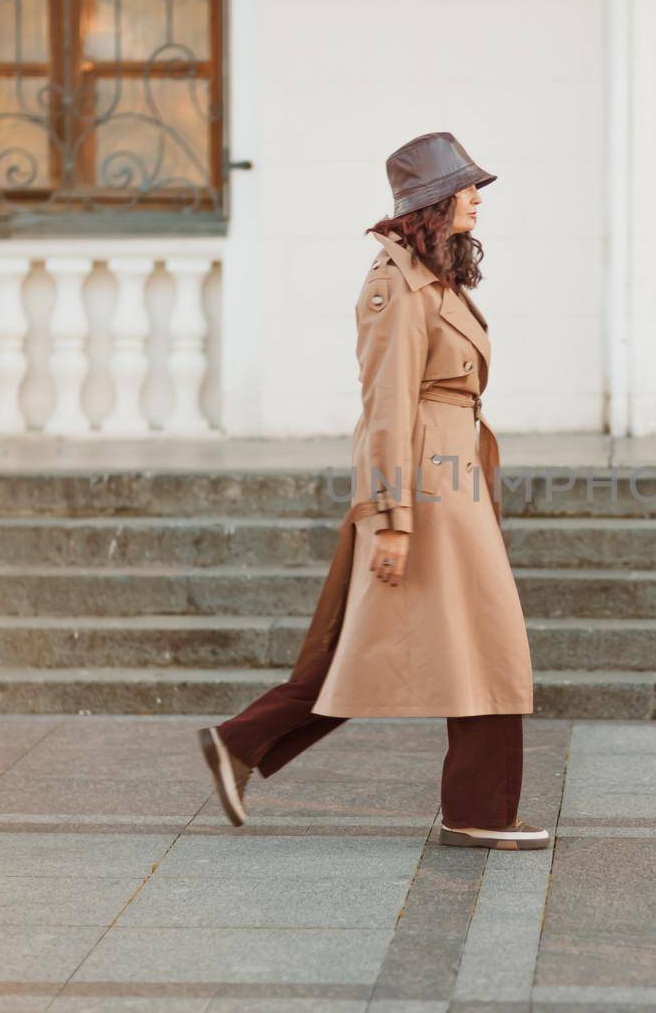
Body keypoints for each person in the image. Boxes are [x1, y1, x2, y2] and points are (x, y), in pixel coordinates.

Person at [197, 132, 547, 851]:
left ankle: (243, 741)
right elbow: (386, 407)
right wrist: (391, 517)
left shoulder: (433, 276)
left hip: (454, 477)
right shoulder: (394, 285)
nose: (478, 197)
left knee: (396, 641)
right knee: (478, 639)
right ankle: (478, 810)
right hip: (425, 481)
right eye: (467, 186)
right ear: (433, 200)